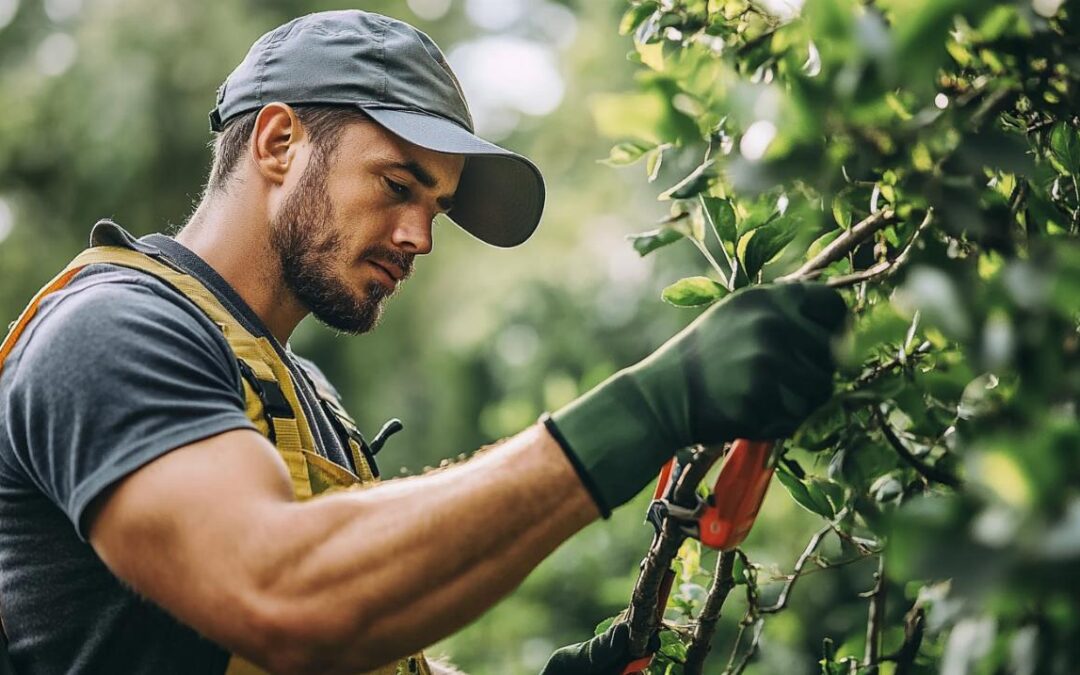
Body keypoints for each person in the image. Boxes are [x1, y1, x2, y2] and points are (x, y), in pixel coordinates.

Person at [0, 10, 846, 675]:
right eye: (398, 185)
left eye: (435, 206)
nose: (420, 236)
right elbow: (283, 593)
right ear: (279, 142)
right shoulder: (113, 331)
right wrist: (648, 408)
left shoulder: (304, 392)